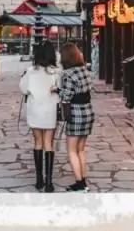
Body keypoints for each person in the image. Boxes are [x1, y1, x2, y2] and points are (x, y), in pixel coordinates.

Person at [19, 41, 60, 192]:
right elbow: (59, 90)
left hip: (35, 109)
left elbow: (23, 89)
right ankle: (49, 182)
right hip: (50, 109)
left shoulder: (31, 71)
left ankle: (39, 179)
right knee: (49, 143)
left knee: (37, 142)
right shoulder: (56, 72)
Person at [58, 42, 96, 191]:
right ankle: (82, 181)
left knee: (72, 150)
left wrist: (56, 90)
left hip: (75, 113)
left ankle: (80, 183)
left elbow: (66, 97)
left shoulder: (69, 75)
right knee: (81, 149)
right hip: (88, 111)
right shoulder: (85, 70)